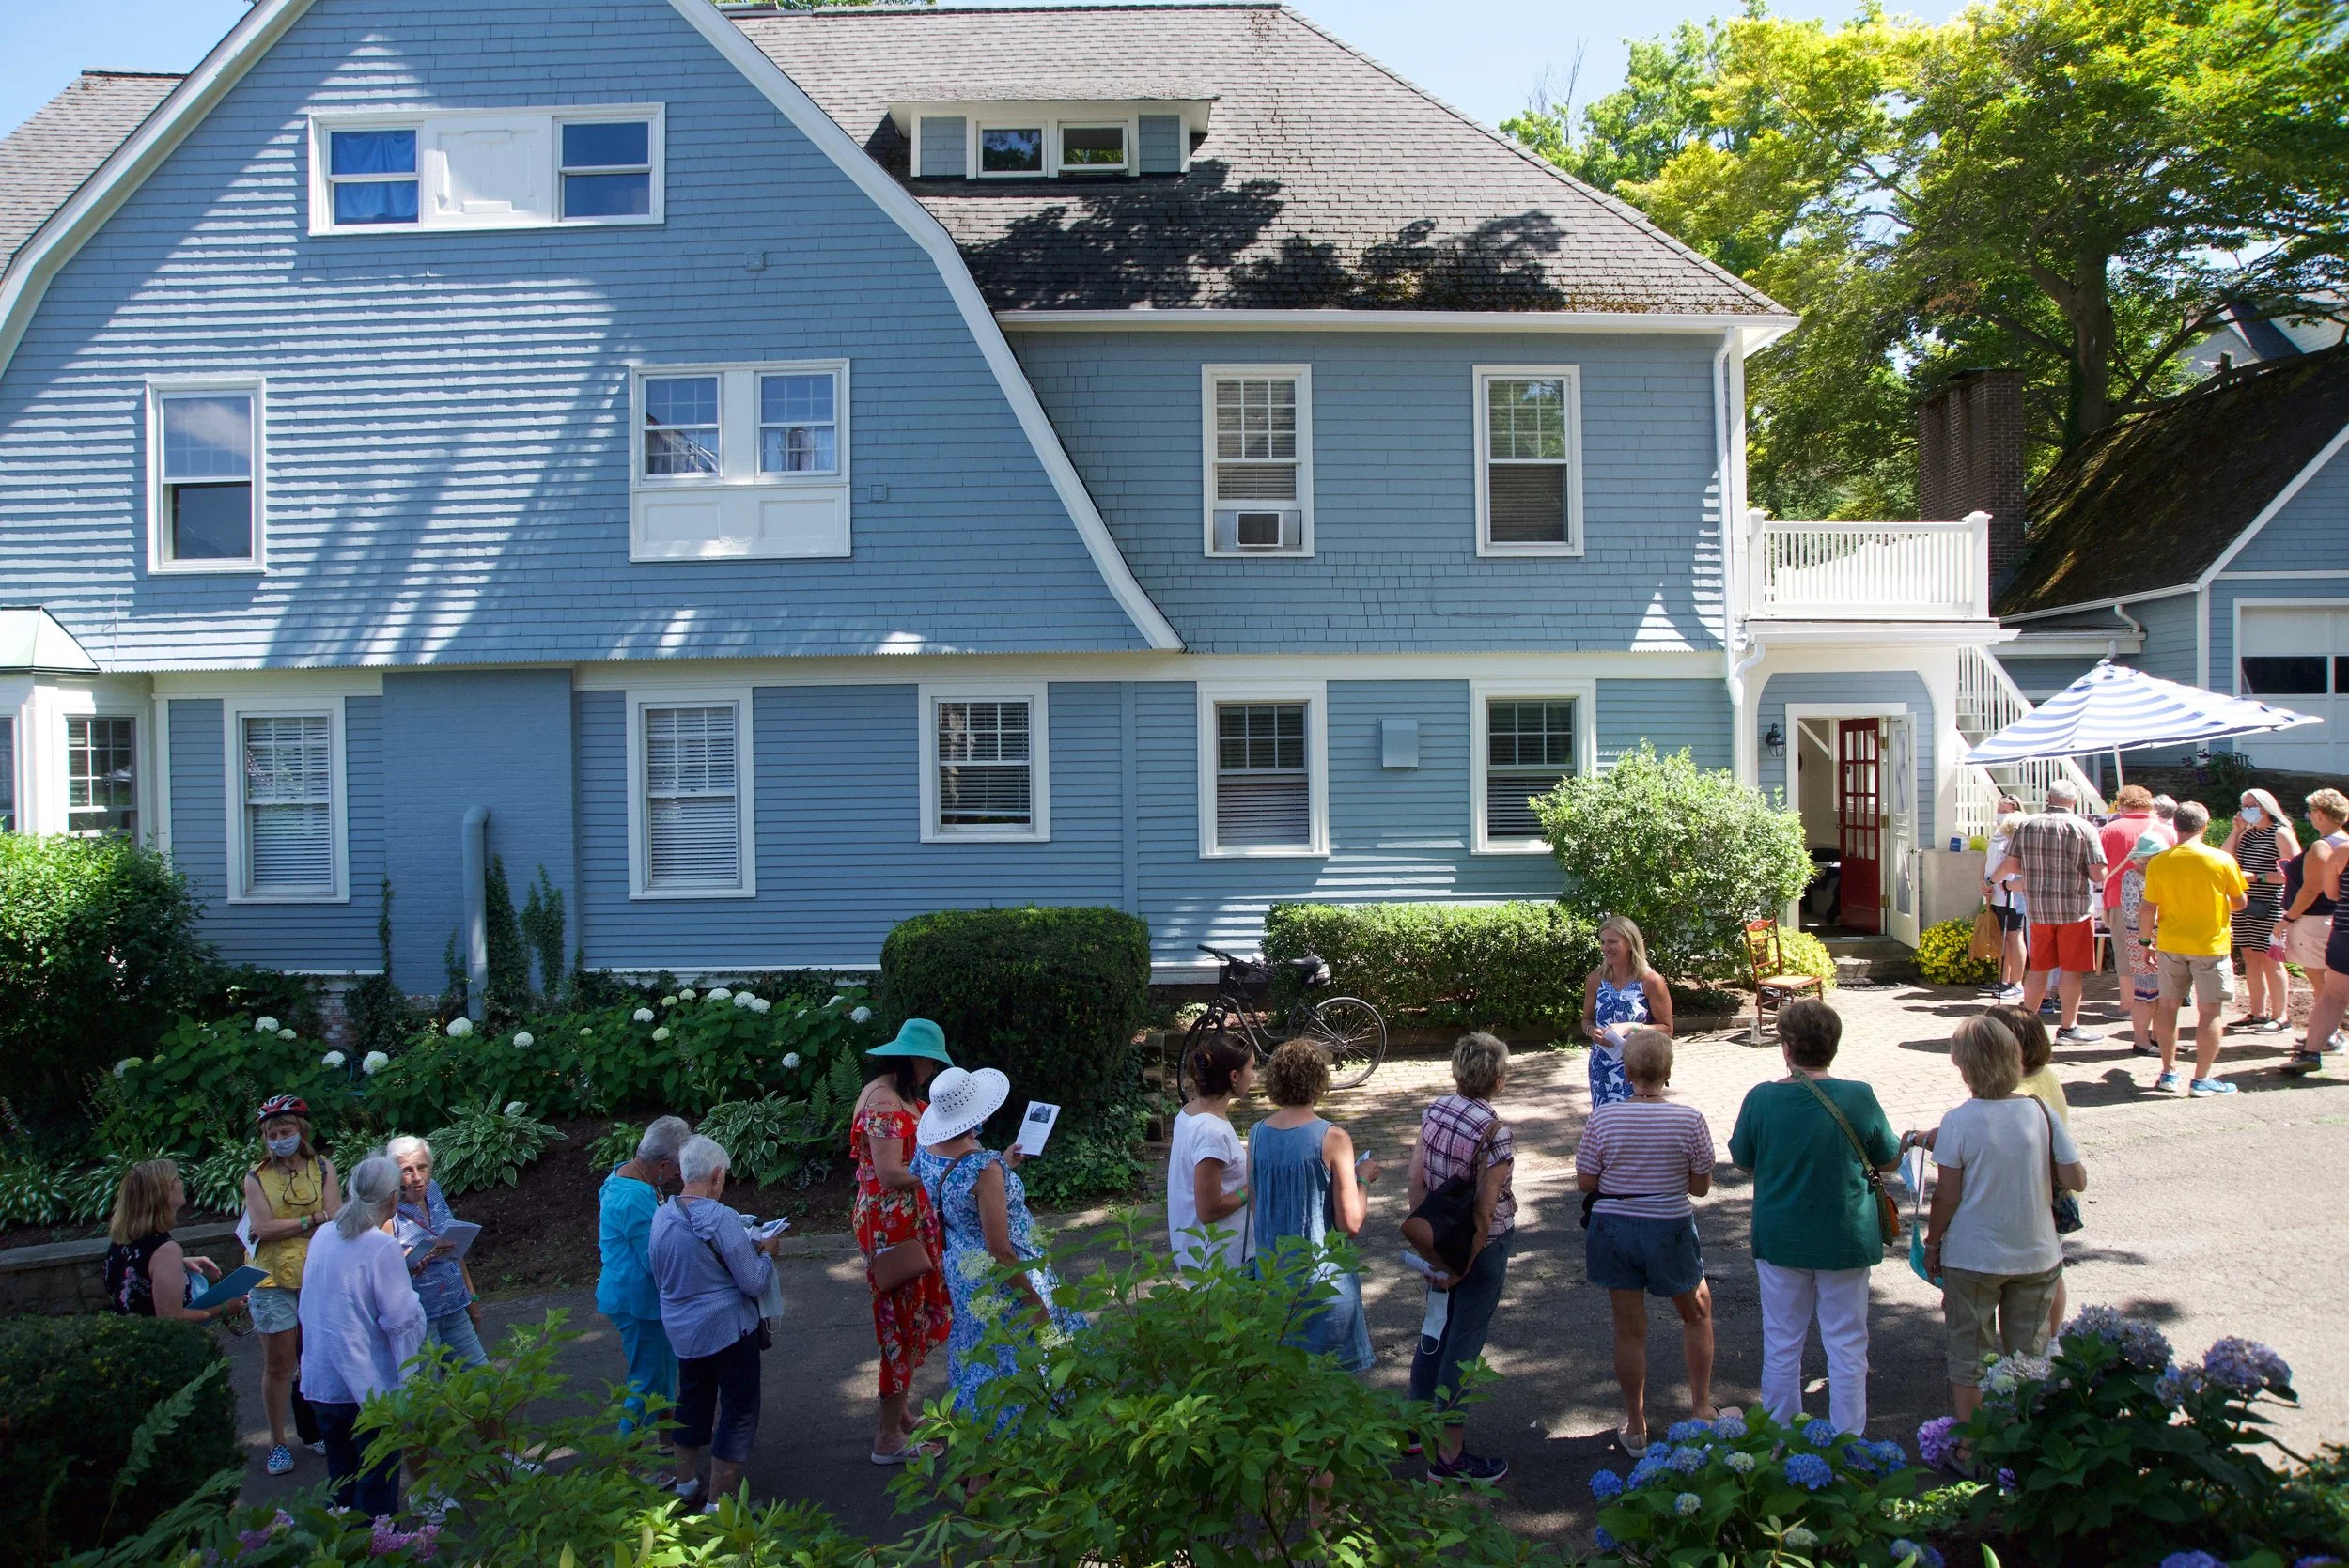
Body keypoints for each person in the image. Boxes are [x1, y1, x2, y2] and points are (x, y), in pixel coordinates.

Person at [1726, 999, 1897, 1437]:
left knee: (1782, 1342)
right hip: (1845, 1236)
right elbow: (1889, 1156)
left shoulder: (1762, 1098)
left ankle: (1779, 1443)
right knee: (1847, 1344)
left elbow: (1743, 1158)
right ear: (1832, 1046)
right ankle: (1848, 1443)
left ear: (1786, 1047)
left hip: (1782, 1237)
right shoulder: (1858, 1095)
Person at [1914, 1016, 2085, 1421]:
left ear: (1966, 1068)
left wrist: (1932, 1244)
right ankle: (2025, 1441)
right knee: (2030, 1354)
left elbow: (1946, 1197)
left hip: (1973, 1257)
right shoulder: (2041, 1111)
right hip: (2036, 1252)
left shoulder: (1958, 1120)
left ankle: (1974, 1451)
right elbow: (2075, 1176)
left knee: (1970, 1359)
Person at [913, 1067, 1085, 1430]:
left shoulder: (928, 1148)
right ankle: (1005, 1455)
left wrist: (1003, 1166)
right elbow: (1000, 1250)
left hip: (960, 1266)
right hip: (997, 1276)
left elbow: (955, 1196)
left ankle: (974, 1451)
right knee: (1015, 1355)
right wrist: (1033, 1298)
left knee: (979, 1351)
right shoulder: (982, 1168)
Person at [1576, 1028, 1721, 1454]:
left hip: (1613, 1226)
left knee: (1629, 1329)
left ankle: (1636, 1425)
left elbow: (1587, 1180)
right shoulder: (1689, 1118)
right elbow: (1700, 1188)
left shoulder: (1603, 1118)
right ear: (1668, 1071)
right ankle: (1700, 1409)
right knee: (1696, 1313)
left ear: (1627, 1070)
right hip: (1668, 1225)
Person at [649, 1133, 786, 1511]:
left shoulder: (662, 1215)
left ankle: (685, 1482)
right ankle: (719, 1503)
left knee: (692, 1399)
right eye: (723, 1173)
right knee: (738, 1409)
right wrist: (768, 1253)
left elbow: (659, 1275)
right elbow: (753, 1281)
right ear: (714, 1174)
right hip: (727, 1329)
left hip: (682, 1329)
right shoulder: (720, 1218)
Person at [1405, 1032, 1517, 1483]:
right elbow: (1485, 1211)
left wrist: (1427, 1247)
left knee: (1434, 1329)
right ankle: (1450, 1457)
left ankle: (1415, 1426)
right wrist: (1461, 1266)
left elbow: (1415, 1178)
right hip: (1478, 1251)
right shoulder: (1496, 1132)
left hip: (1435, 1239)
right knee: (1464, 1344)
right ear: (1498, 1079)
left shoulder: (1435, 1111)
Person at [297, 1154, 426, 1519]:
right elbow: (402, 1320)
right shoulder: (380, 1247)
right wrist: (409, 1385)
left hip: (323, 1381)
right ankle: (376, 1552)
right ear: (392, 1199)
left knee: (341, 1483)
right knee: (376, 1492)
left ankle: (341, 1551)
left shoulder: (324, 1235)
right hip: (367, 1390)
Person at [1245, 1040, 1381, 1376]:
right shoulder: (1333, 1138)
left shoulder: (1257, 1133)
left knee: (1286, 1396)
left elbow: (1256, 1206)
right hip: (1322, 1287)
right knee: (1329, 1407)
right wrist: (1362, 1179)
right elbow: (1349, 1223)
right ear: (1319, 1080)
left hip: (1274, 1284)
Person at [852, 1019, 955, 1464]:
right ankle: (887, 1439)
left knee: (911, 1320)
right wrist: (940, 1173)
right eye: (929, 1060)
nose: (932, 1069)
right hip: (890, 1227)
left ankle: (900, 1417)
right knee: (899, 1325)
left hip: (906, 1221)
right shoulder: (882, 1102)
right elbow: (891, 1173)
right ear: (910, 1058)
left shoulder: (899, 1094)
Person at [244, 1094, 342, 1478]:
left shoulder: (322, 1167)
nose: (278, 1138)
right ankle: (276, 1441)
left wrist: (309, 1221)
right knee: (280, 1363)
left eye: (285, 1131)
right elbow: (262, 1229)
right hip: (272, 1278)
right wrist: (309, 1219)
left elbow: (334, 1217)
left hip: (317, 1274)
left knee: (315, 1357)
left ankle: (316, 1429)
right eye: (271, 1133)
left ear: (301, 1131)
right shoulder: (256, 1177)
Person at [2141, 801, 2250, 1096]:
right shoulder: (2222, 860)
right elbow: (2240, 902)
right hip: (2210, 945)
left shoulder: (2159, 861)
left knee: (2167, 1007)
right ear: (2204, 826)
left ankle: (2168, 1072)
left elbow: (2148, 905)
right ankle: (2201, 1078)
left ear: (2175, 827)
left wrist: (2143, 941)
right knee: (2210, 1012)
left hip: (2171, 943)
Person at [1990, 784, 2108, 1046]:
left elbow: (2010, 864)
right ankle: (2068, 1027)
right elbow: (2098, 874)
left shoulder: (2028, 825)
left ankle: (2028, 1028)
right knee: (2071, 970)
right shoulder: (2084, 828)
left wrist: (1992, 880)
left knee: (2039, 968)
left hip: (2039, 909)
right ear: (2074, 802)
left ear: (2048, 798)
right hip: (2074, 910)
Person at [598, 1115, 690, 1440]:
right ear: (663, 1165)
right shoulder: (635, 1198)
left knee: (663, 1370)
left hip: (637, 1297)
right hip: (637, 1301)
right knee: (646, 1380)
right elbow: (655, 1259)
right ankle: (626, 1463)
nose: (679, 1175)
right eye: (677, 1168)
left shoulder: (627, 1174)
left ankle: (666, 1436)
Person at [1989, 1003, 2071, 1338]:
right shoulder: (2045, 1075)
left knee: (2024, 1278)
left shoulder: (2014, 1096)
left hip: (2028, 1195)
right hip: (2054, 1190)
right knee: (2051, 1269)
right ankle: (2052, 1337)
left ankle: (2035, 1342)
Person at [385, 1136, 487, 1370]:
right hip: (418, 1319)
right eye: (407, 1170)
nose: (417, 1177)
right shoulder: (387, 1208)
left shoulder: (434, 1189)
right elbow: (380, 1271)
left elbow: (454, 1244)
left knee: (481, 1378)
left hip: (454, 1305)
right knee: (428, 1393)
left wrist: (470, 1295)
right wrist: (406, 1264)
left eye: (422, 1167)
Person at [1168, 1032, 1253, 1273]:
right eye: (1251, 1069)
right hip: (1219, 1264)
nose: (1254, 1075)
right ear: (1234, 1076)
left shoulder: (1190, 1111)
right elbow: (1208, 1210)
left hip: (1202, 1255)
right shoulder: (1210, 1131)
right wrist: (1253, 1188)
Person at [104, 1159, 225, 1322]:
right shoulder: (166, 1250)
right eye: (175, 1179)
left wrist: (179, 1264)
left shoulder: (122, 1239)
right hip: (159, 1343)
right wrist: (223, 1308)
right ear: (162, 1193)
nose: (181, 1183)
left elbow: (137, 1271)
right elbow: (171, 1318)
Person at [2220, 787, 2299, 1035]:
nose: (2247, 810)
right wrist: (2236, 830)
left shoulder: (2281, 834)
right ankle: (2257, 1012)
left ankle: (2281, 1016)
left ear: (2265, 807)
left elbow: (2292, 873)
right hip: (2244, 904)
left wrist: (2257, 877)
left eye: (2251, 805)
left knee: (2271, 958)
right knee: (2250, 956)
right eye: (2244, 805)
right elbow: (2224, 858)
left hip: (2271, 905)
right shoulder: (2248, 835)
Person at [2281, 789, 2349, 1075]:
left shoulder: (2342, 851)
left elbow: (2331, 893)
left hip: (2345, 932)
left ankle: (2311, 1052)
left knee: (2332, 996)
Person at [1580, 915, 1674, 1108]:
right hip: (1602, 1065)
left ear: (1630, 943)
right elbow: (1586, 1019)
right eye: (1603, 942)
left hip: (1640, 1066)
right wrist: (1591, 1031)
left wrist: (1632, 1027)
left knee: (1639, 1124)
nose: (1606, 947)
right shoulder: (1596, 979)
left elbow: (1667, 1029)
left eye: (1613, 941)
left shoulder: (1650, 980)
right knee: (1605, 1124)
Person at [2113, 831, 2168, 1056]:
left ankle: (2160, 1038)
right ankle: (2141, 1041)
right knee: (2145, 990)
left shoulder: (2164, 876)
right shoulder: (2131, 877)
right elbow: (2131, 911)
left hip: (2165, 935)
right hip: (2141, 936)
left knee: (2164, 991)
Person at [1983, 805, 2030, 1001]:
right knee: (2005, 938)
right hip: (2001, 894)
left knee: (2014, 936)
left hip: (2014, 896)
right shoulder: (2001, 838)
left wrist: (1993, 881)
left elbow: (2008, 865)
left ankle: (2016, 983)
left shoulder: (2020, 842)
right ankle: (2004, 979)